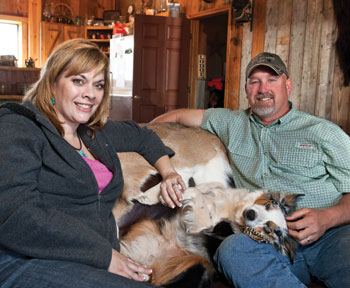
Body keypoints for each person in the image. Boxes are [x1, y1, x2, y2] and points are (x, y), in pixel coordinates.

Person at [151, 52, 350, 287]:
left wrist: (327, 218)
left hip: (331, 235)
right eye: (254, 81)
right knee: (232, 251)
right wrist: (141, 137)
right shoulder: (231, 122)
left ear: (288, 85)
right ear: (247, 90)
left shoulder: (323, 132)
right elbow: (177, 116)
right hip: (269, 237)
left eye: (272, 79)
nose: (262, 88)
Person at [0, 38, 185, 288]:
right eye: (78, 81)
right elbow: (15, 215)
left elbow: (144, 136)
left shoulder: (93, 132)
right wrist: (104, 256)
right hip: (24, 260)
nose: (90, 93)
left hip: (89, 260)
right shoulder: (19, 127)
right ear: (52, 83)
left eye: (98, 85)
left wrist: (169, 173)